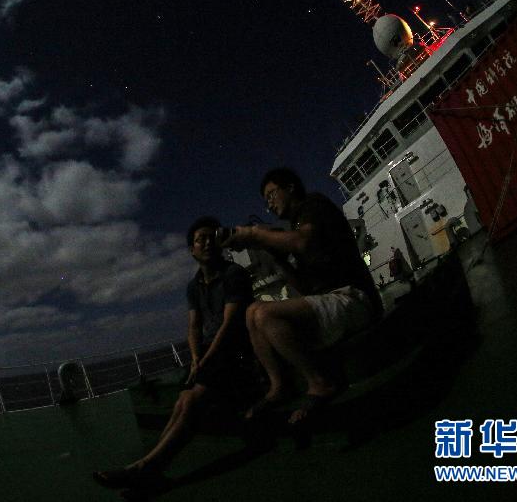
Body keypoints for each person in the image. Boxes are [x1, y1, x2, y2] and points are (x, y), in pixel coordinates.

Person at [93, 216, 253, 490]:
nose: (206, 242)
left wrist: (205, 359)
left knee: (191, 401)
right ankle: (151, 466)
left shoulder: (233, 274)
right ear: (192, 250)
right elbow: (194, 326)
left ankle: (144, 467)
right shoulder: (194, 286)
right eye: (199, 239)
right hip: (210, 356)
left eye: (211, 236)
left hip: (236, 351)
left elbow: (230, 324)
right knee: (182, 401)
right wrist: (194, 359)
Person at [223, 167, 383, 426]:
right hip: (333, 302)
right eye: (266, 202)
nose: (270, 204)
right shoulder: (297, 228)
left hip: (356, 299)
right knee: (252, 312)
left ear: (290, 187)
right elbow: (307, 289)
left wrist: (254, 234)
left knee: (264, 313)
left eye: (272, 195)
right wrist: (274, 254)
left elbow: (302, 243)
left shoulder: (314, 206)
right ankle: (278, 386)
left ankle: (320, 383)